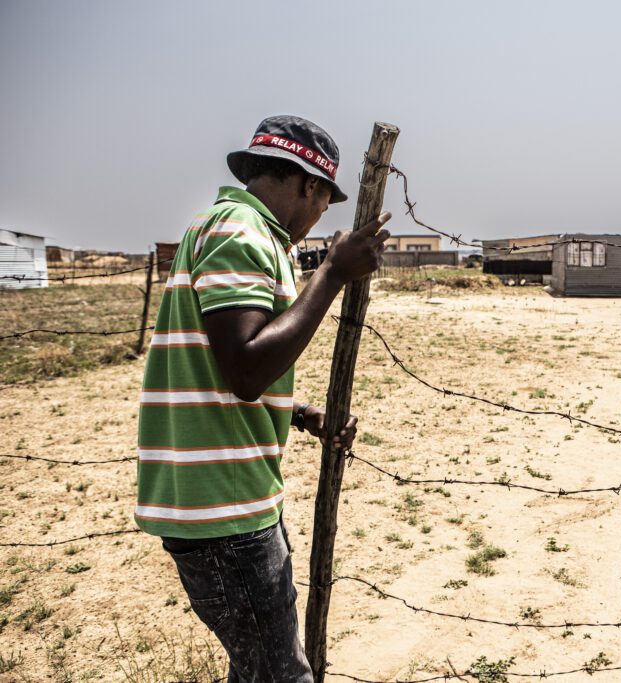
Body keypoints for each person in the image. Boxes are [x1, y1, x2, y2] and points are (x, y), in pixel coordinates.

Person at [134, 115, 391, 681]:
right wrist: (331, 274)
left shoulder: (222, 226)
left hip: (226, 492)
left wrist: (296, 411)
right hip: (224, 508)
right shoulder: (242, 232)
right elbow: (246, 369)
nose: (321, 216)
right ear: (309, 185)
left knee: (256, 669)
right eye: (325, 202)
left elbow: (214, 360)